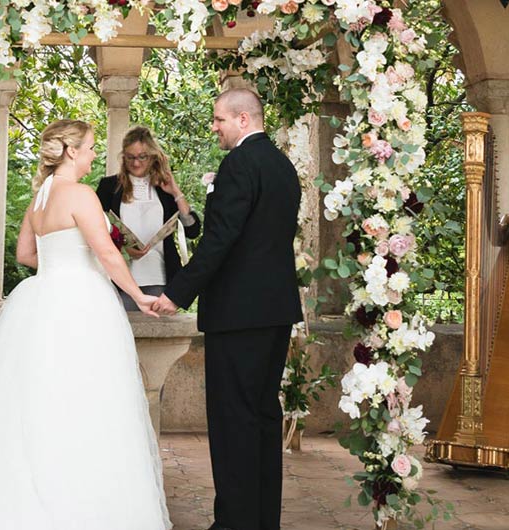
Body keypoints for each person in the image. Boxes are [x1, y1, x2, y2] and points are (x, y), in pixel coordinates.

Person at [0, 120, 170, 529]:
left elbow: (26, 254)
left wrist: (63, 258)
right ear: (71, 151)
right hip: (81, 303)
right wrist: (138, 294)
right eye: (90, 148)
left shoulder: (41, 196)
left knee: (36, 400)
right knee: (86, 400)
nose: (94, 155)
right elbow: (108, 254)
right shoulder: (80, 194)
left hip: (41, 299)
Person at [151, 89, 302, 530]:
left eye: (219, 119)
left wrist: (178, 292)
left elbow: (221, 239)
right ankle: (262, 522)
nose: (214, 127)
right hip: (275, 312)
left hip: (238, 316)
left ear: (242, 119)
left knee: (233, 421)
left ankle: (235, 523)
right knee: (263, 417)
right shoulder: (282, 166)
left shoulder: (239, 164)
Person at [96, 126, 201, 310]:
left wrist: (176, 192)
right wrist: (123, 249)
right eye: (130, 157)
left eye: (142, 157)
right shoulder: (109, 187)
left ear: (152, 157)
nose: (136, 163)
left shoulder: (164, 188)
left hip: (160, 279)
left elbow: (192, 230)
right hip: (120, 280)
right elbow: (96, 232)